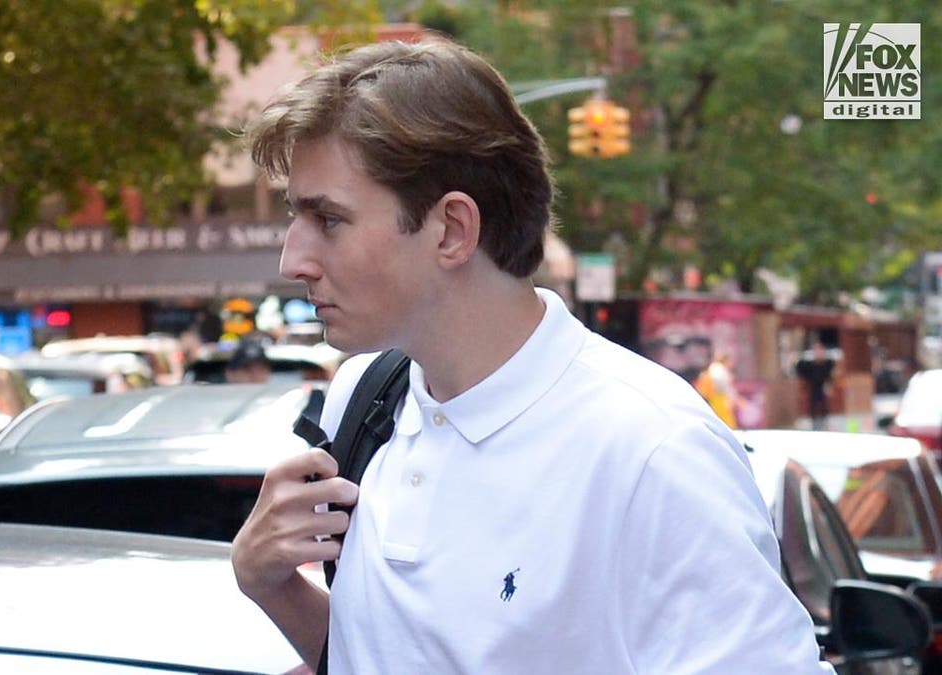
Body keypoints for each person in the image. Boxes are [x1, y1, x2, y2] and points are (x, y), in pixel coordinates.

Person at [230, 39, 828, 673]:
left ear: (452, 230)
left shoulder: (652, 451)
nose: (292, 260)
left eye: (328, 220)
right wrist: (269, 584)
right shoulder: (366, 396)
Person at [796, 340, 836, 430]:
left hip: (824, 388)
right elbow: (800, 369)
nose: (818, 353)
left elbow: (832, 375)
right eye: (816, 351)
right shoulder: (810, 365)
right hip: (814, 389)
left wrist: (830, 385)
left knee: (825, 404)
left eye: (820, 351)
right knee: (813, 405)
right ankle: (814, 424)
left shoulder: (828, 364)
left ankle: (825, 423)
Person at [694, 352, 739, 429]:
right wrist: (731, 398)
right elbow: (723, 386)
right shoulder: (719, 369)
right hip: (719, 398)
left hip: (714, 398)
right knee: (725, 421)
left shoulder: (714, 368)